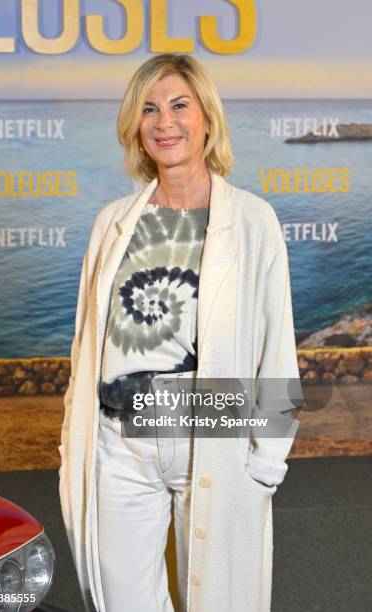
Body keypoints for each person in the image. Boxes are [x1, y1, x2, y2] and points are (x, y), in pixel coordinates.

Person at [58, 53, 304, 612]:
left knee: (221, 599)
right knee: (125, 603)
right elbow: (87, 343)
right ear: (136, 128)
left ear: (207, 120)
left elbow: (277, 345)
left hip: (212, 426)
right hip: (120, 440)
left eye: (178, 106)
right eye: (149, 109)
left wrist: (266, 461)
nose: (164, 121)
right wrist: (79, 434)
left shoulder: (253, 220)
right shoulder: (112, 221)